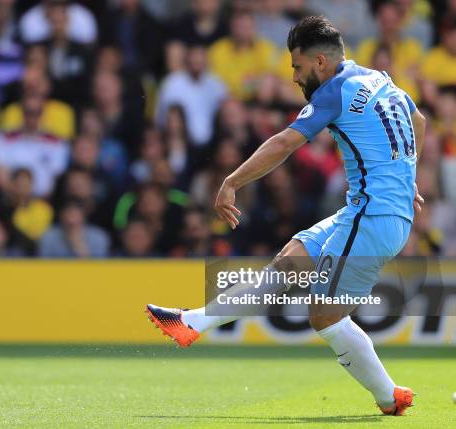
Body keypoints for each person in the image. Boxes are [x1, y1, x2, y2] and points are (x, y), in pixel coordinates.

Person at [145, 16, 425, 416]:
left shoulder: (334, 91)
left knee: (325, 317)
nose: (294, 77)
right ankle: (192, 322)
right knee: (288, 263)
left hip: (374, 218)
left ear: (321, 63)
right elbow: (418, 121)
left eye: (297, 66)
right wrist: (408, 178)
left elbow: (283, 143)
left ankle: (389, 397)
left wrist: (232, 180)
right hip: (366, 212)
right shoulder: (379, 78)